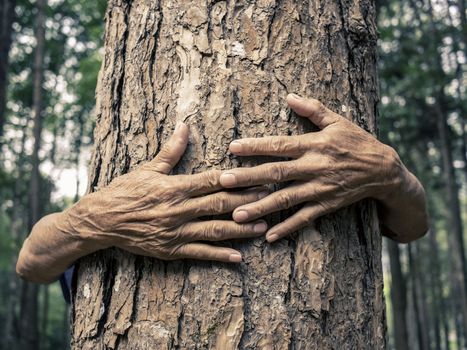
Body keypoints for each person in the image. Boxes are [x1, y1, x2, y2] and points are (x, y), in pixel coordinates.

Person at [16, 94, 428, 286]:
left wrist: (392, 173)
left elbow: (411, 228)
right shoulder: (106, 199)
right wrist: (98, 219)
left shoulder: (357, 163)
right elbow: (31, 262)